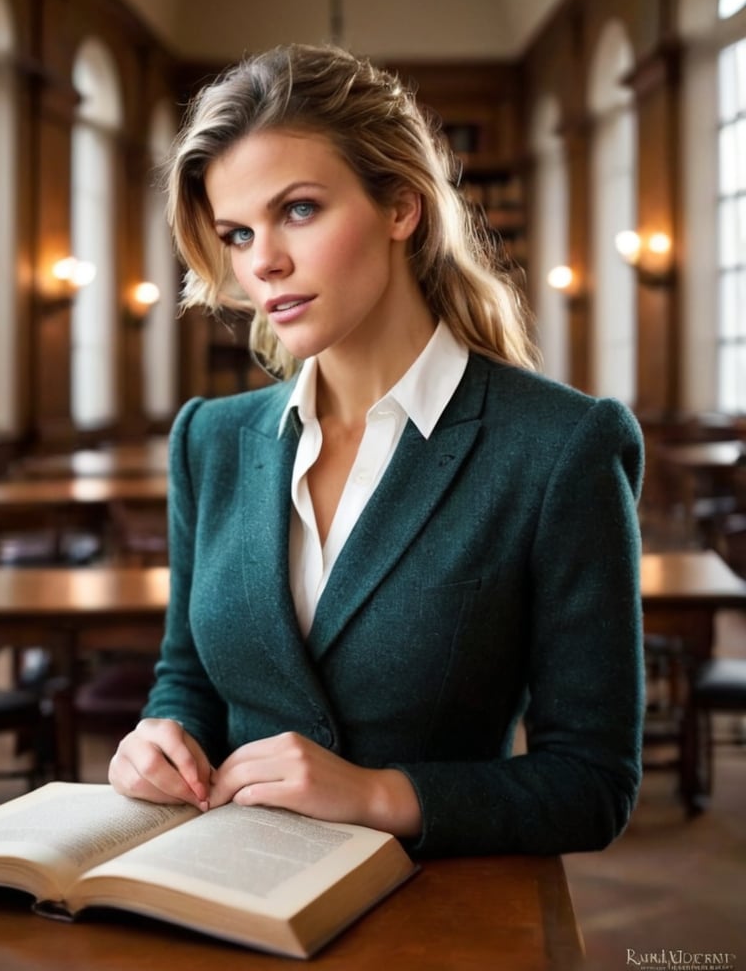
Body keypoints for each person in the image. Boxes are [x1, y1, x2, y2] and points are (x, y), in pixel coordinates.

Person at [108, 42, 644, 859]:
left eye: (298, 210)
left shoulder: (561, 448)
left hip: (446, 918)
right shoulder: (208, 442)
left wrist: (378, 794)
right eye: (237, 232)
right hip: (232, 898)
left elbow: (593, 784)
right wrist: (162, 734)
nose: (264, 261)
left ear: (401, 206)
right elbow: (188, 674)